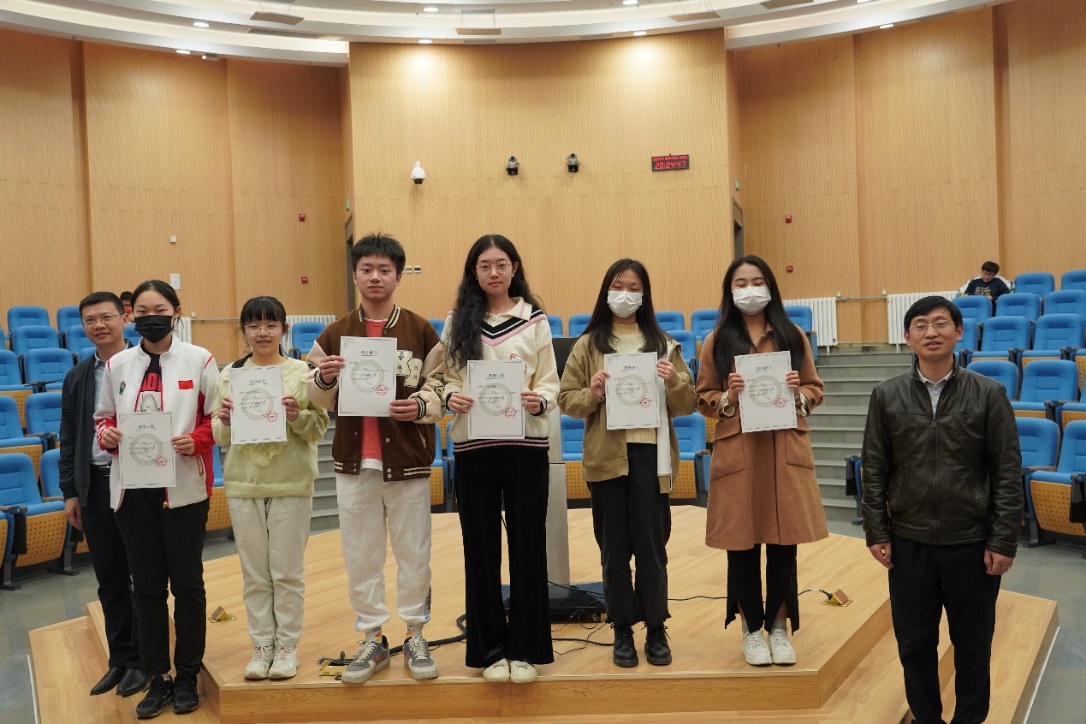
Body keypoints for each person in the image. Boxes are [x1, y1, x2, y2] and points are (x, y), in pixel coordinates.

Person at [861, 295, 1022, 724]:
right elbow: (874, 469)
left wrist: (1003, 539)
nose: (930, 332)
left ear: (958, 332)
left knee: (973, 644)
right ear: (907, 336)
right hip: (908, 541)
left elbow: (1007, 472)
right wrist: (877, 530)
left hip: (972, 542)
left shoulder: (989, 394)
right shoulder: (886, 395)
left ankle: (970, 718)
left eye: (940, 323)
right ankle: (926, 717)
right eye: (920, 325)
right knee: (914, 643)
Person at [305, 233, 444, 685]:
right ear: (355, 275)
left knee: (414, 552)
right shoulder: (333, 334)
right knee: (361, 555)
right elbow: (315, 399)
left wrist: (419, 405)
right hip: (353, 461)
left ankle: (416, 633)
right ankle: (373, 639)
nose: (376, 277)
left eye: (385, 270)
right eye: (367, 269)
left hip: (407, 460)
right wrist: (324, 379)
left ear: (398, 277)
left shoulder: (421, 331)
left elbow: (441, 386)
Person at [558, 259, 696, 668]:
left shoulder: (664, 343)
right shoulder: (588, 345)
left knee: (652, 551)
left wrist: (674, 380)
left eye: (634, 287)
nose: (625, 294)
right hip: (607, 459)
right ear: (607, 291)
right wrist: (594, 392)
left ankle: (655, 627)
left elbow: (687, 404)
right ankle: (621, 628)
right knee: (614, 552)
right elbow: (567, 402)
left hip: (651, 458)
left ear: (644, 294)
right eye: (619, 286)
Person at [695, 255, 827, 667]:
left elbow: (815, 388)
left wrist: (799, 392)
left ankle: (779, 628)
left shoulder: (792, 334)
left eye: (756, 281)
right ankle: (751, 630)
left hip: (784, 448)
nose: (749, 289)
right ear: (729, 291)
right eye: (741, 283)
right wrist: (728, 397)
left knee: (785, 543)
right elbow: (704, 397)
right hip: (740, 452)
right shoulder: (717, 340)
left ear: (770, 286)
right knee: (742, 544)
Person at [94, 280, 219, 719]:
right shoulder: (117, 365)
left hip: (183, 492)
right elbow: (103, 418)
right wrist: (107, 436)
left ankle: (187, 676)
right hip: (132, 494)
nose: (151, 317)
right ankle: (157, 677)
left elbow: (217, 419)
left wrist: (198, 439)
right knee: (146, 590)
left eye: (160, 309)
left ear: (176, 312)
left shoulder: (200, 359)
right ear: (131, 315)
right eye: (143, 311)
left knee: (187, 586)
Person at [440, 234, 558, 684]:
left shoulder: (534, 319)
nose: (494, 272)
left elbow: (550, 381)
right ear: (474, 271)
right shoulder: (457, 322)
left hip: (526, 444)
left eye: (501, 264)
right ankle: (489, 650)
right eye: (485, 265)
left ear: (514, 268)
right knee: (481, 547)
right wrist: (452, 397)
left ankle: (526, 649)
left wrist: (539, 400)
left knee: (528, 545)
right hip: (474, 447)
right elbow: (445, 378)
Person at [213, 297, 329, 681]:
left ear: (284, 329)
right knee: (254, 575)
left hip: (291, 481)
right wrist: (225, 419)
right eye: (254, 325)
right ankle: (262, 645)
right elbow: (218, 434)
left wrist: (296, 416)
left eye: (270, 324)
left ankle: (287, 647)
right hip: (243, 483)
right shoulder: (229, 375)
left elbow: (318, 428)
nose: (262, 332)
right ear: (244, 331)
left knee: (287, 572)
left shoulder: (304, 373)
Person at [58, 292, 149, 698]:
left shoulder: (146, 364)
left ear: (124, 318)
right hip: (95, 485)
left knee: (143, 576)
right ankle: (121, 658)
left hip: (137, 482)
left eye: (106, 317)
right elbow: (68, 438)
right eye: (90, 320)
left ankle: (145, 661)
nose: (99, 325)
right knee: (109, 578)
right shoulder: (78, 376)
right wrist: (70, 491)